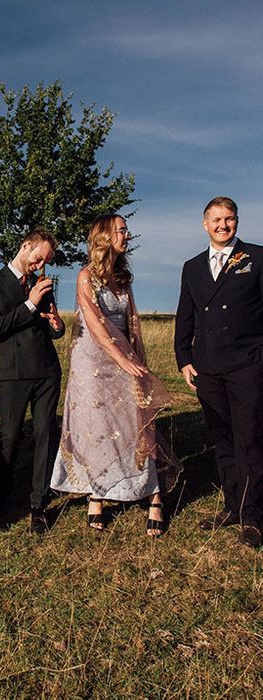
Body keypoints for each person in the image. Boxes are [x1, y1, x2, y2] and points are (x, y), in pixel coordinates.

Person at [51, 214, 181, 535]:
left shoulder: (124, 278)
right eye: (121, 230)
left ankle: (153, 496)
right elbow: (94, 323)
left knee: (134, 425)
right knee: (96, 426)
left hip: (126, 359)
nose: (127, 234)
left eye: (127, 230)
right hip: (91, 364)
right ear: (105, 237)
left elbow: (132, 322)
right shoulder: (85, 277)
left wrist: (134, 359)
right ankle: (96, 495)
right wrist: (121, 358)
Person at [175, 197, 263, 548]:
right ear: (204, 224)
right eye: (216, 219)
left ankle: (254, 516)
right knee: (221, 438)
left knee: (250, 439)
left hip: (248, 364)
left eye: (229, 219)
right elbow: (185, 316)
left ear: (237, 222)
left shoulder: (257, 258)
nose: (223, 225)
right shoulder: (192, 266)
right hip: (207, 367)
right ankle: (232, 505)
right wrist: (183, 357)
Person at [0, 229, 65, 534]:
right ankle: (0, 499)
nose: (40, 265)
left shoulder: (42, 284)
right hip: (13, 373)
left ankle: (39, 503)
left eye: (46, 261)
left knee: (46, 433)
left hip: (46, 371)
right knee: (10, 437)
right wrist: (29, 304)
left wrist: (57, 325)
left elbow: (53, 329)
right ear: (25, 246)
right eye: (39, 257)